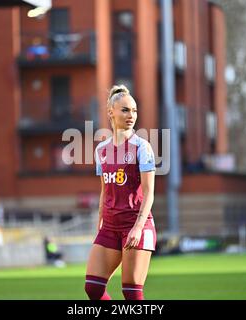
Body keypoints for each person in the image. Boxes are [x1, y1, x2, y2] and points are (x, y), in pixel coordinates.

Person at [84, 84, 157, 300]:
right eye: (125, 110)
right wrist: (100, 220)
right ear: (110, 112)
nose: (131, 115)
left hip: (135, 225)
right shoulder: (101, 150)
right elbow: (105, 189)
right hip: (110, 226)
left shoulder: (142, 147)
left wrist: (137, 227)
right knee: (93, 288)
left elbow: (149, 192)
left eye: (134, 110)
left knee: (131, 294)